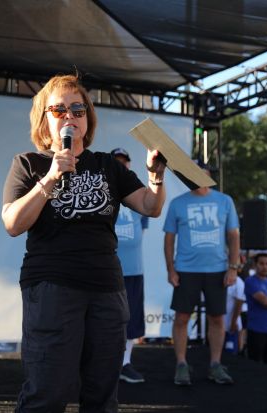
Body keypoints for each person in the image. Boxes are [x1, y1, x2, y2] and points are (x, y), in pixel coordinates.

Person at [2, 74, 166, 412]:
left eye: (78, 108)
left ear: (88, 117)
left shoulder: (108, 165)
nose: (70, 116)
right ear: (44, 119)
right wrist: (50, 178)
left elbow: (150, 206)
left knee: (102, 394)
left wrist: (156, 176)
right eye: (59, 109)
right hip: (52, 287)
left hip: (106, 288)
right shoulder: (28, 164)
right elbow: (13, 224)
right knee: (47, 392)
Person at [163, 163, 239, 386]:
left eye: (201, 173)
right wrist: (170, 269)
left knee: (217, 318)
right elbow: (169, 239)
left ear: (208, 176)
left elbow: (234, 236)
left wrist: (232, 268)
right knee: (182, 318)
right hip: (186, 270)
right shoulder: (178, 203)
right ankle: (181, 365)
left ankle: (215, 365)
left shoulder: (225, 201)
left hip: (217, 270)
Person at [111, 147, 149, 384]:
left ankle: (125, 364)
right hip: (106, 269)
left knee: (131, 319)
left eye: (125, 163)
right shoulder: (99, 192)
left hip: (133, 269)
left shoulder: (138, 194)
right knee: (103, 319)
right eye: (117, 162)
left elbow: (140, 232)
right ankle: (101, 364)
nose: (122, 166)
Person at [224, 274, 245, 356]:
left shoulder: (238, 282)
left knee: (232, 353)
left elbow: (239, 303)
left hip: (231, 326)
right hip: (219, 326)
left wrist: (233, 322)